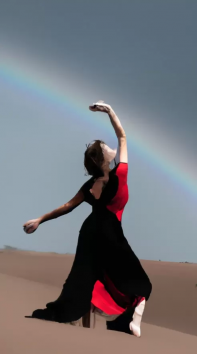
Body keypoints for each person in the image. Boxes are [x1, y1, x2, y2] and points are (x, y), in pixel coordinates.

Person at [23, 101, 152, 336]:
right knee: (140, 283)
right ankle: (133, 321)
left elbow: (67, 207)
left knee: (86, 279)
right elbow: (122, 137)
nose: (110, 148)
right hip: (110, 232)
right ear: (105, 158)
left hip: (90, 232)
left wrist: (39, 219)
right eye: (106, 148)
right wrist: (110, 111)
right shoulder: (120, 174)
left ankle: (86, 329)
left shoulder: (89, 186)